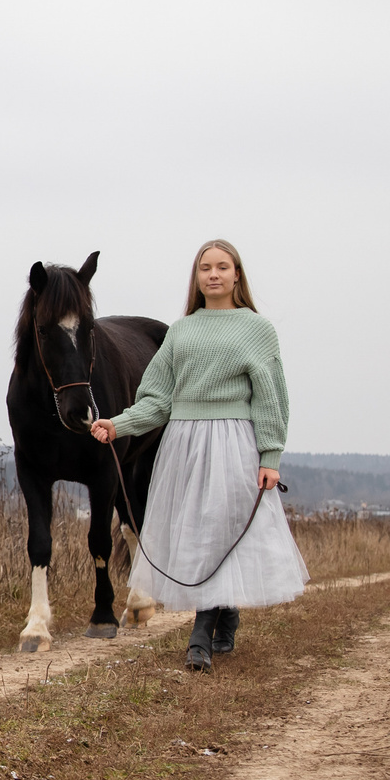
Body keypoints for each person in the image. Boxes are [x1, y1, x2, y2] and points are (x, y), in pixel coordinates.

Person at [90, 239, 309, 671]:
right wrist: (118, 424)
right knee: (197, 532)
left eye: (222, 267)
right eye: (205, 267)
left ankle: (199, 637)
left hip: (235, 442)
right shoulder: (181, 331)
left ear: (236, 275)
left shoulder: (257, 330)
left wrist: (270, 456)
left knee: (221, 529)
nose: (213, 274)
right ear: (197, 277)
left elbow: (271, 398)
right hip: (184, 444)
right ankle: (226, 611)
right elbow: (157, 400)